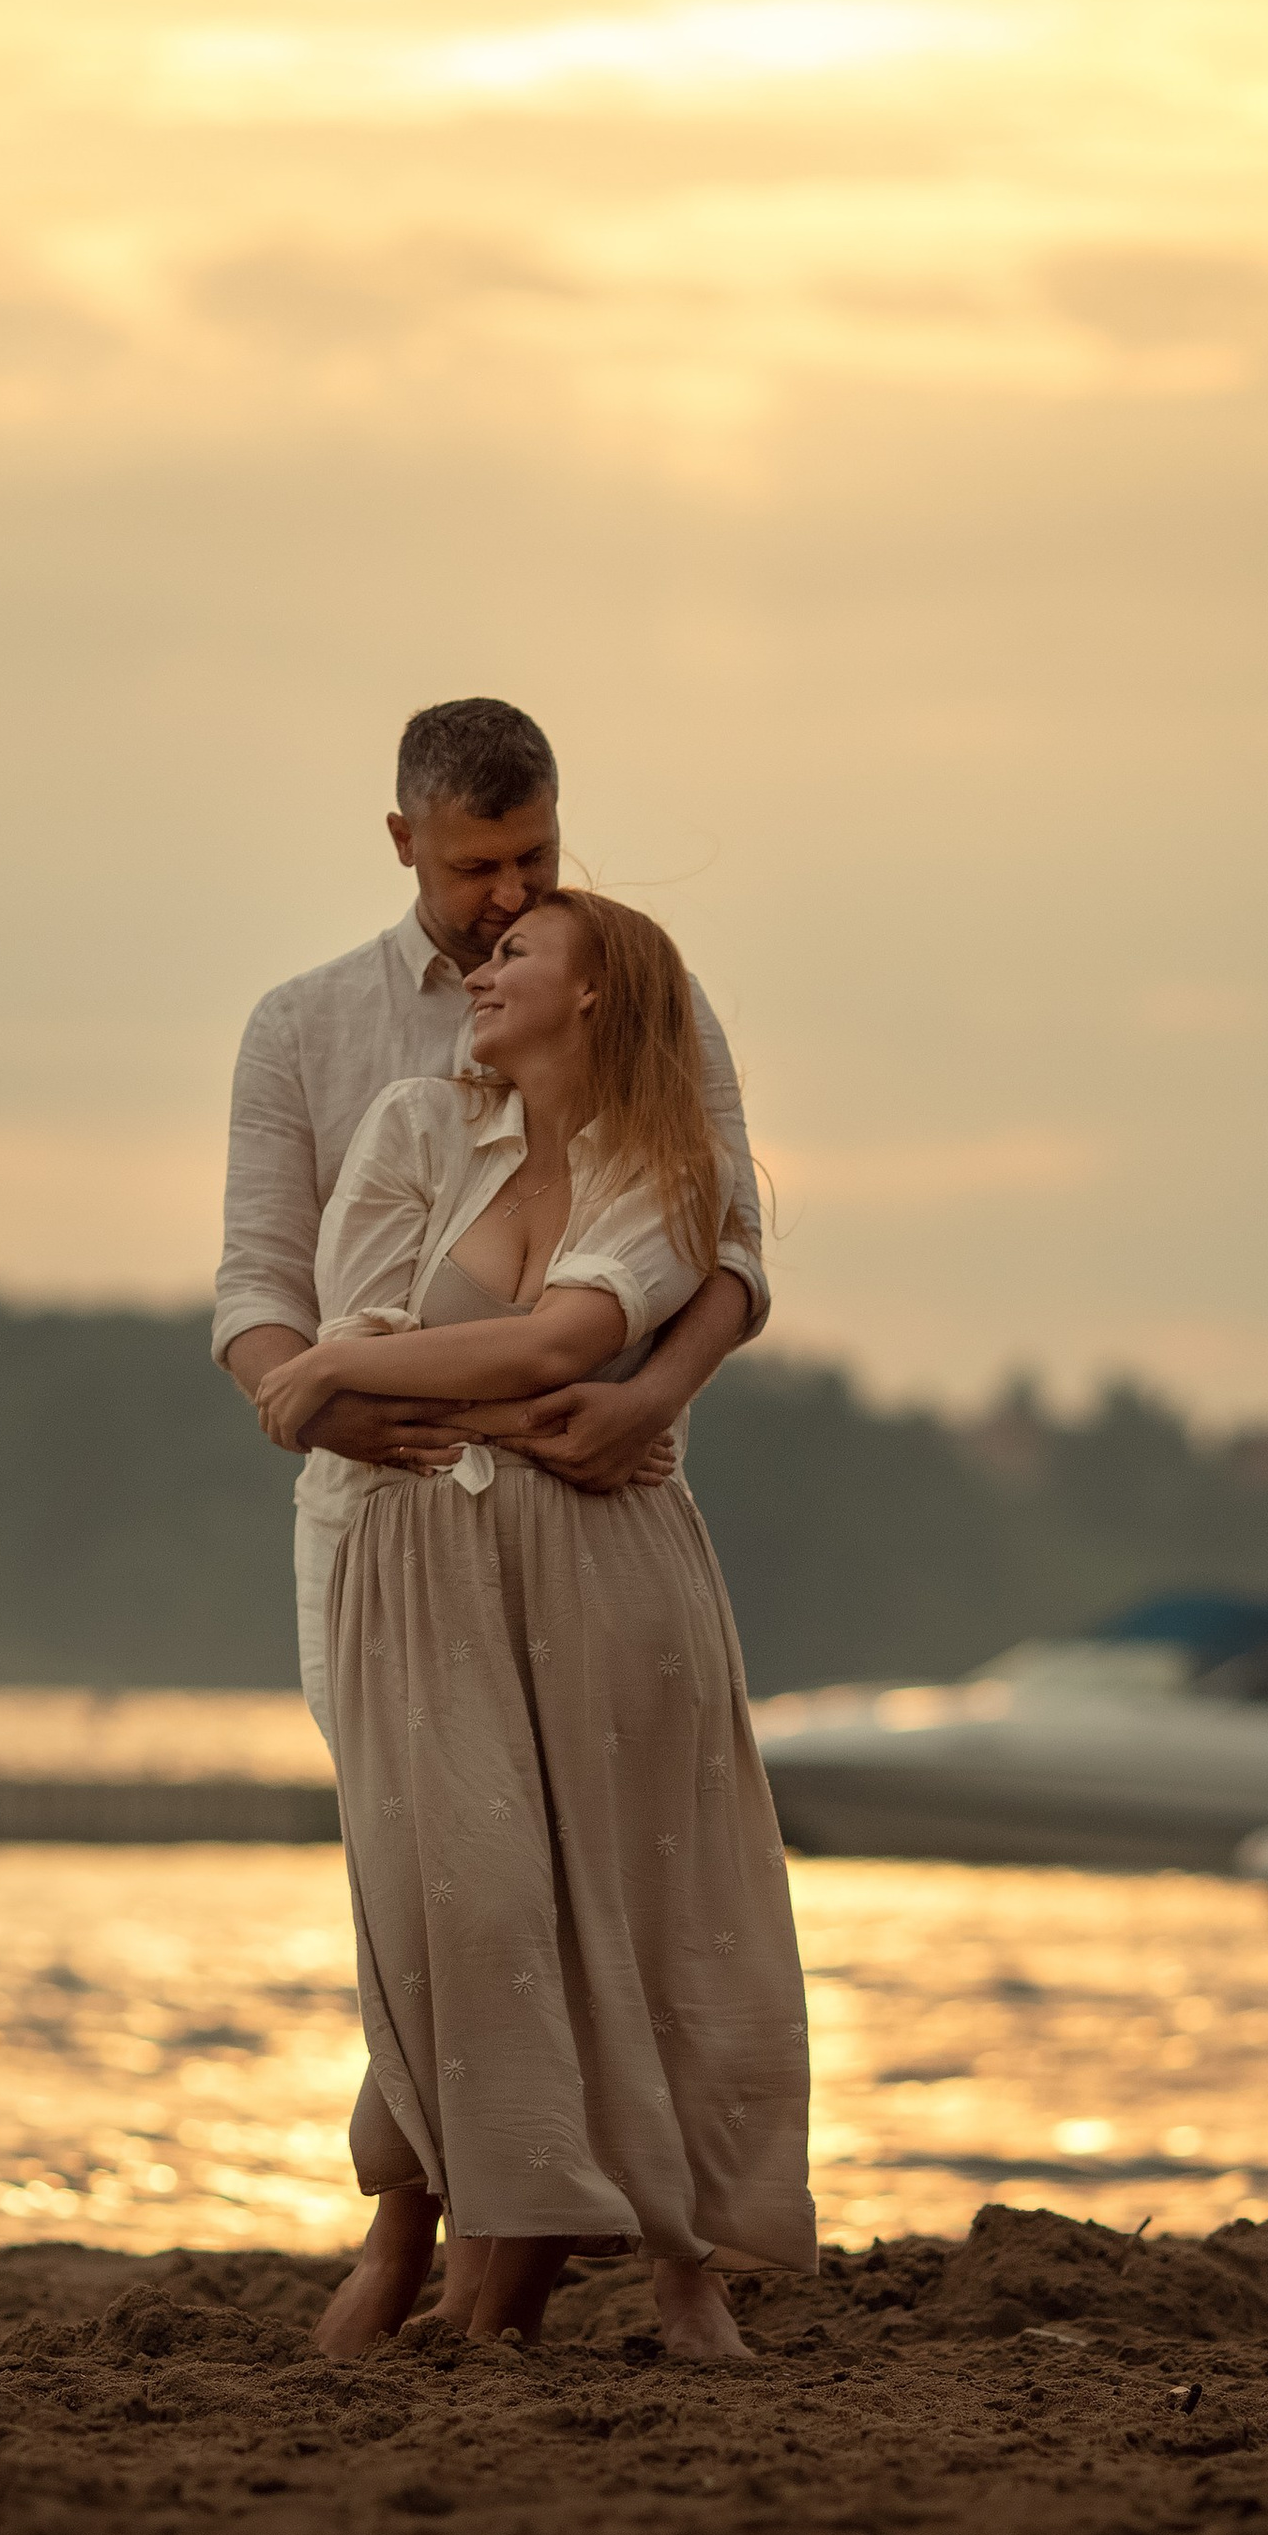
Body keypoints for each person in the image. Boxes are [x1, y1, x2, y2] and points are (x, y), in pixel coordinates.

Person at [253, 888, 817, 2363]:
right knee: (467, 1899)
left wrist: (356, 1385)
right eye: (482, 952)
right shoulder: (411, 1130)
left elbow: (568, 1342)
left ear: (595, 999)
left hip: (606, 1565)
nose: (483, 971)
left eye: (517, 956)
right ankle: (435, 2219)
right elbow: (355, 1348)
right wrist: (366, 1384)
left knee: (645, 1908)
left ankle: (685, 2268)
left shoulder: (670, 1162)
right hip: (423, 1563)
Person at [213, 698, 770, 1753]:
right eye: (476, 868)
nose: (510, 891)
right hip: (373, 1510)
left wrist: (650, 1400)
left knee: (599, 1874)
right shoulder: (302, 1025)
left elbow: (729, 1245)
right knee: (426, 1861)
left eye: (536, 855)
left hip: (597, 1499)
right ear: (402, 841)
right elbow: (256, 1286)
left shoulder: (653, 999)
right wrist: (319, 1405)